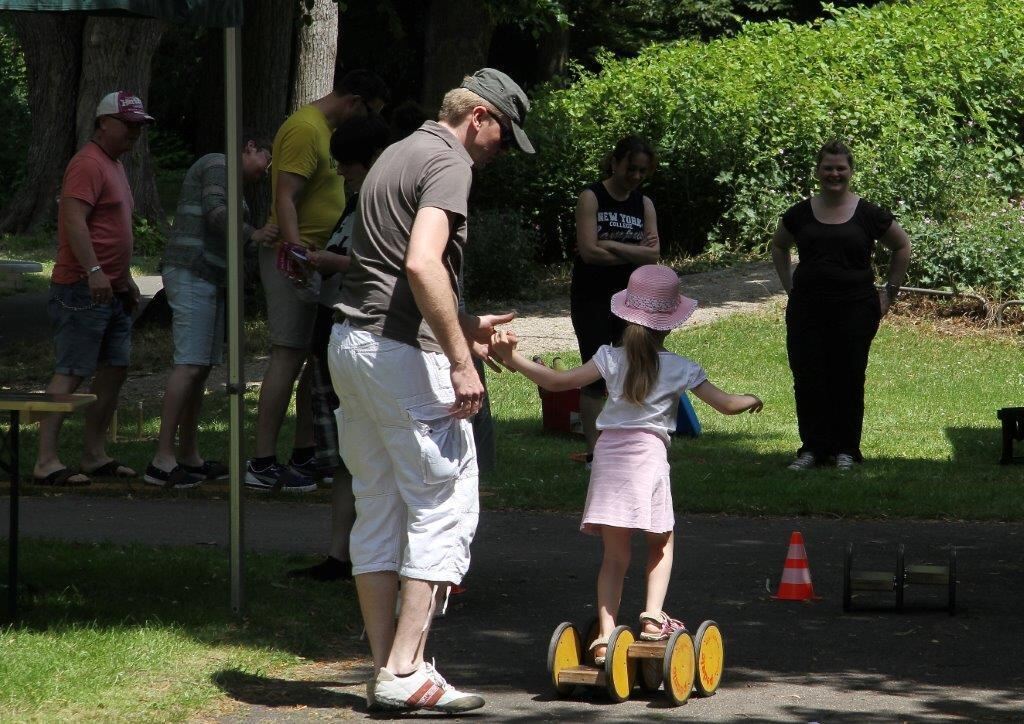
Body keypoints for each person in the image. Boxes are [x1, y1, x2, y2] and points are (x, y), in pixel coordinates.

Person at [327, 68, 533, 713]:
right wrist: (461, 359)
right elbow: (419, 263)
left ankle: (390, 669)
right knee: (443, 504)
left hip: (351, 344)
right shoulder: (450, 164)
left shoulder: (397, 151)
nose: (501, 150)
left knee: (380, 502)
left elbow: (389, 268)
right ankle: (409, 667)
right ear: (478, 115)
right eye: (503, 134)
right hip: (397, 357)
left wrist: (464, 327)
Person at [489, 264, 763, 664]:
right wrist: (751, 398)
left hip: (608, 460)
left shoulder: (608, 359)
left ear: (625, 313)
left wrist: (511, 357)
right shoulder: (681, 367)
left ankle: (603, 637)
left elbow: (556, 382)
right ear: (671, 323)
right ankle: (652, 618)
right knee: (661, 541)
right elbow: (726, 404)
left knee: (615, 556)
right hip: (648, 461)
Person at [246, 69, 389, 493]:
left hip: (321, 260)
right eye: (367, 112)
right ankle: (262, 460)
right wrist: (294, 253)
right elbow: (285, 197)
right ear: (354, 100)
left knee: (316, 357)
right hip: (299, 260)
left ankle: (309, 450)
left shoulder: (325, 130)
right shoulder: (305, 129)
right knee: (286, 356)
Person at [287, 113, 391, 581]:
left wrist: (333, 262)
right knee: (346, 453)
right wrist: (316, 263)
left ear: (371, 161)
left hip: (368, 333)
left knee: (371, 452)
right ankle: (339, 556)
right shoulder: (355, 203)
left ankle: (377, 558)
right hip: (334, 328)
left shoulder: (386, 201)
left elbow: (388, 268)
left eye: (348, 165)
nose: (343, 173)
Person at [32, 91, 152, 486]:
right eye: (128, 123)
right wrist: (95, 270)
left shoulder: (114, 164)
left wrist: (124, 279)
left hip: (112, 291)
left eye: (139, 125)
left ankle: (94, 454)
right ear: (103, 123)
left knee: (114, 369)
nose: (134, 131)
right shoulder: (87, 163)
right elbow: (73, 221)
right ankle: (46, 460)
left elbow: (113, 229)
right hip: (81, 288)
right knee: (72, 371)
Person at [145, 136, 277, 488]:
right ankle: (161, 459)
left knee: (200, 369)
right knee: (189, 364)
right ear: (250, 147)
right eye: (267, 158)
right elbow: (216, 213)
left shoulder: (232, 179)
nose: (267, 171)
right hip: (192, 271)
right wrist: (255, 234)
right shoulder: (220, 163)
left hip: (209, 276)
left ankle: (189, 454)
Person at [771, 140, 911, 471]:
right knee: (808, 377)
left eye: (841, 168)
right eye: (828, 168)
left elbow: (901, 245)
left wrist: (889, 292)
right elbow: (779, 246)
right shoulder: (800, 213)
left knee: (848, 377)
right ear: (818, 172)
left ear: (850, 172)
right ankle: (812, 449)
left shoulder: (868, 213)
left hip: (856, 308)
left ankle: (847, 450)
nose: (834, 174)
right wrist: (788, 286)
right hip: (808, 308)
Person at [570, 135, 661, 466]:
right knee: (594, 373)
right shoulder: (591, 197)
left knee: (631, 368)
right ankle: (596, 452)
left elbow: (653, 256)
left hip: (632, 298)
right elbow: (589, 253)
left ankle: (629, 446)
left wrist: (611, 244)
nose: (635, 176)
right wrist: (631, 252)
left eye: (642, 171)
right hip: (591, 297)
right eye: (630, 168)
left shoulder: (644, 204)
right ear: (615, 162)